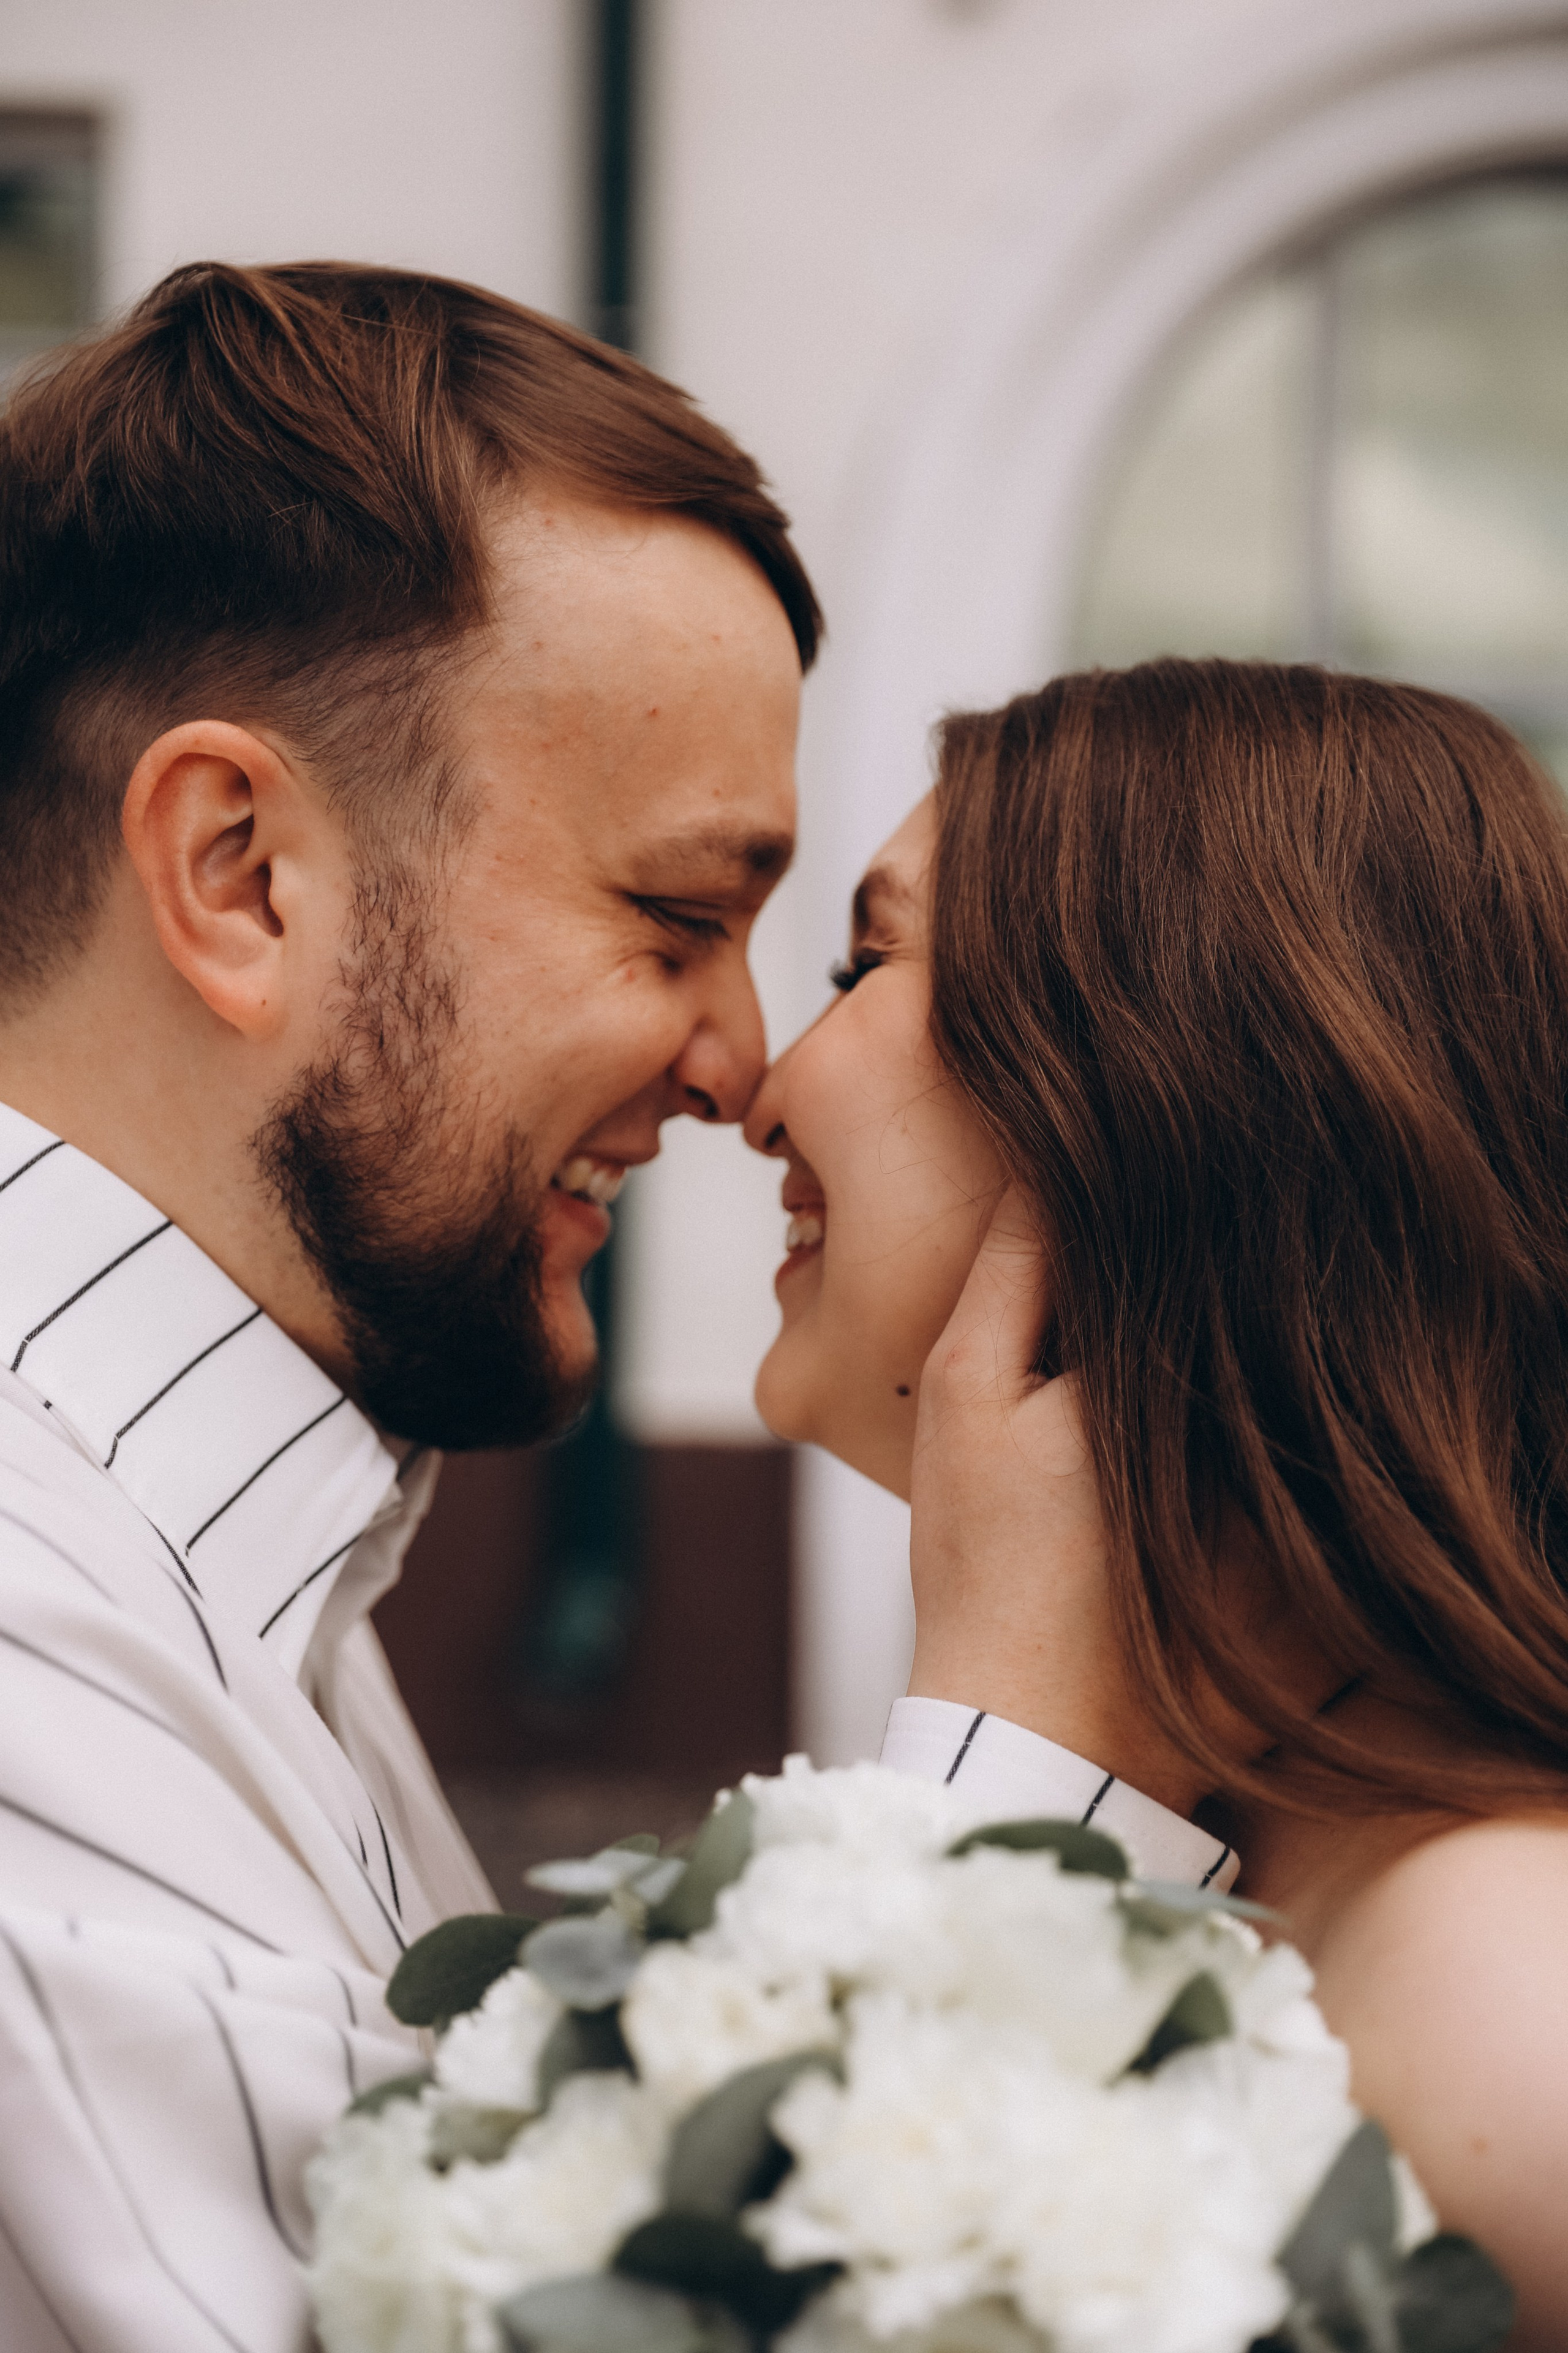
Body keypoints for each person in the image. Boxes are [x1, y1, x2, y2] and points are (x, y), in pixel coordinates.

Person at [0, 263, 1213, 2352]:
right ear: (239, 872)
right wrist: (1034, 1752)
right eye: (677, 916)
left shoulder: (235, 1555)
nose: (740, 1059)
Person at [745, 656, 1568, 2351]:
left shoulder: (1498, 1997)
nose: (760, 1089)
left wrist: (996, 1735)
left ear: (1147, 1089)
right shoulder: (1285, 1833)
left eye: (862, 963)